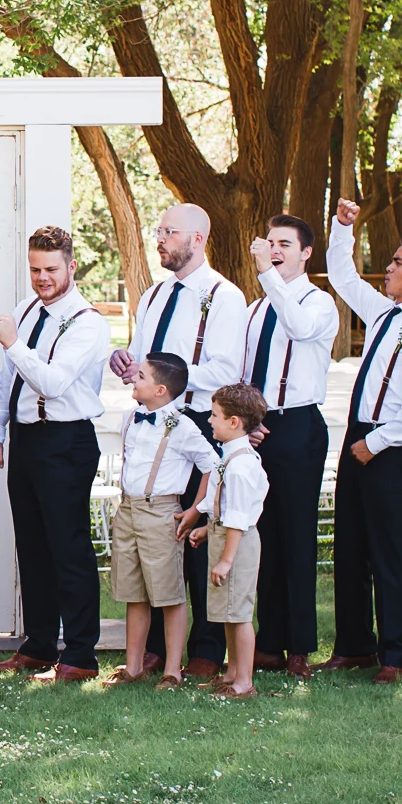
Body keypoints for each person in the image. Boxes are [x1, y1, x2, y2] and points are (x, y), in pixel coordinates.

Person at [108, 203, 248, 678]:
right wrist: (127, 361)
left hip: (198, 423)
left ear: (198, 239)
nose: (160, 239)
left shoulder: (224, 296)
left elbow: (227, 368)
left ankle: (206, 648)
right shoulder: (152, 295)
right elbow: (143, 355)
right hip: (154, 424)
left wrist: (175, 379)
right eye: (159, 231)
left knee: (197, 533)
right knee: (157, 538)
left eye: (169, 232)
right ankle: (150, 652)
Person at [318, 199, 402, 684]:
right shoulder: (384, 314)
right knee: (350, 545)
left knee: (389, 551)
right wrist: (342, 229)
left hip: (391, 446)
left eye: (397, 262)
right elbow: (343, 278)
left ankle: (394, 655)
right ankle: (354, 646)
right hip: (358, 435)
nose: (389, 268)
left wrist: (375, 444)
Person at [0, 226, 113, 683]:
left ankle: (80, 655)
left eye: (51, 269)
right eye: (35, 269)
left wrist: (13, 343)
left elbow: (53, 383)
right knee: (32, 546)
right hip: (26, 439)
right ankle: (37, 646)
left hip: (67, 441)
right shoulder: (26, 310)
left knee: (68, 548)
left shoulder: (89, 323)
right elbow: (8, 379)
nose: (42, 278)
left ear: (71, 266)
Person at [244, 215, 339, 679]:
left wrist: (268, 275)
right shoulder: (255, 309)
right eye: (270, 242)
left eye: (285, 243)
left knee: (297, 536)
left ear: (306, 253)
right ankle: (269, 642)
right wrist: (245, 421)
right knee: (261, 536)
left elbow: (299, 329)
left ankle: (299, 645)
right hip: (258, 428)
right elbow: (245, 367)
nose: (275, 250)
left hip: (298, 425)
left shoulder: (318, 303)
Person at [104, 352, 219, 689]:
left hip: (161, 512)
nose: (133, 378)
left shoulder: (182, 427)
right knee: (134, 593)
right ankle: (133, 666)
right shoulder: (130, 417)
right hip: (129, 509)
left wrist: (196, 509)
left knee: (169, 594)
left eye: (141, 376)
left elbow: (213, 466)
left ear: (160, 390)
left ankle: (172, 670)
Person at [183, 382, 271, 700]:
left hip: (238, 543)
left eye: (214, 415)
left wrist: (226, 560)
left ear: (234, 422)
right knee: (228, 612)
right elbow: (222, 503)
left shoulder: (242, 465)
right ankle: (232, 673)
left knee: (239, 614)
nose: (209, 420)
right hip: (224, 535)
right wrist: (206, 529)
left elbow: (238, 516)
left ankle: (244, 682)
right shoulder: (228, 456)